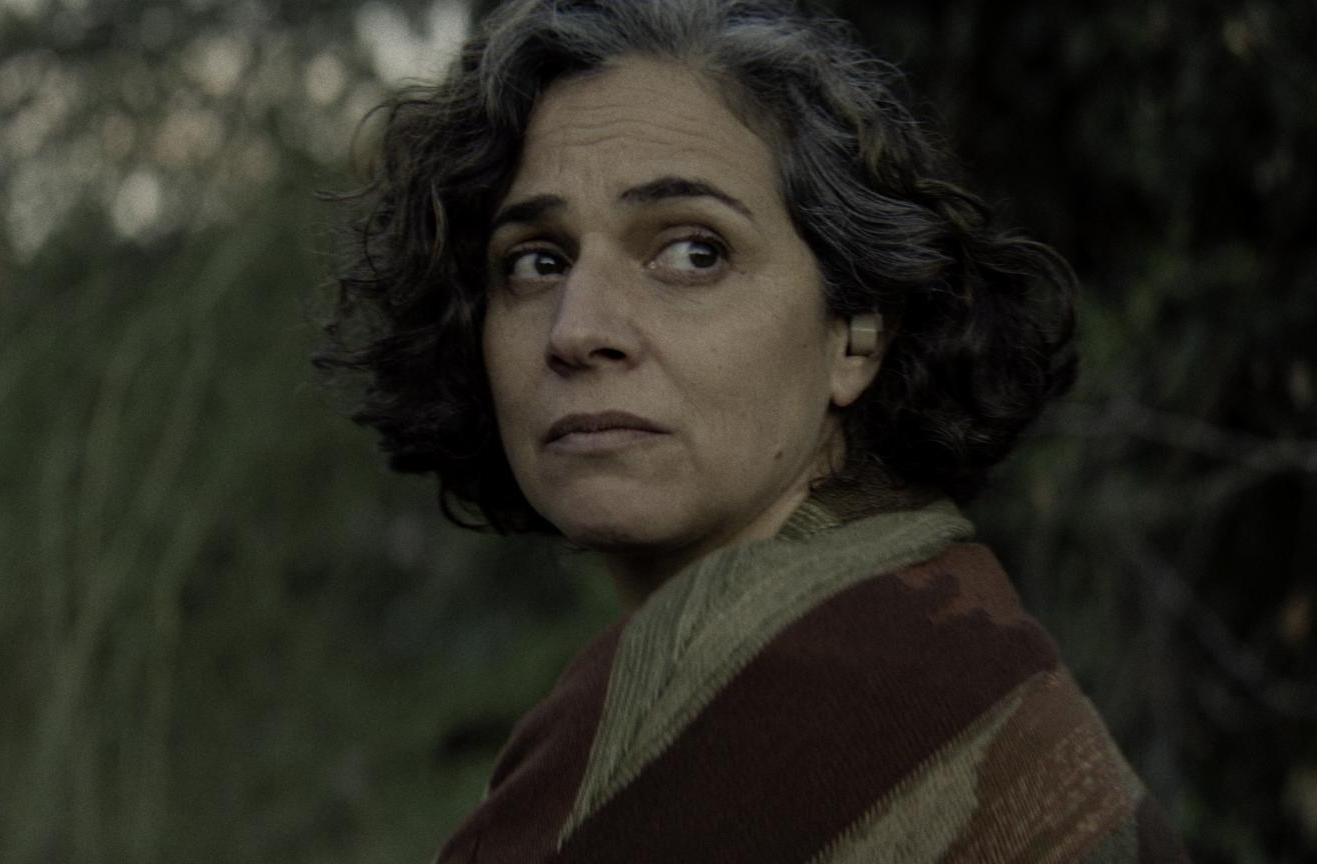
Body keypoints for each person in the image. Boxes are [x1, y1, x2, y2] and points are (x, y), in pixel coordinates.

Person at [319, 0, 1189, 860]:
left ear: (856, 333)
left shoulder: (828, 691)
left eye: (693, 252)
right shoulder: (953, 625)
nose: (577, 329)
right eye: (535, 262)